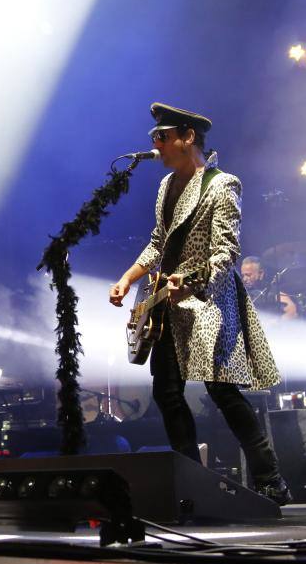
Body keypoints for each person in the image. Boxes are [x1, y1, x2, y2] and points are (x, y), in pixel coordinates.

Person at [109, 103, 291, 504]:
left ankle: (270, 478)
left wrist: (192, 283)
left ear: (188, 136)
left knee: (222, 390)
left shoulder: (222, 184)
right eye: (153, 138)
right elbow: (158, 242)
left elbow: (226, 251)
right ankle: (190, 479)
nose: (156, 145)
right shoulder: (165, 186)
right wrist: (127, 278)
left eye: (163, 136)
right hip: (168, 305)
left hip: (210, 298)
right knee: (166, 392)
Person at [240, 255, 298, 320]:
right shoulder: (242, 292)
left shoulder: (272, 291)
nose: (244, 279)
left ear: (261, 273)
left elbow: (292, 311)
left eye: (248, 275)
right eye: (243, 275)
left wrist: (273, 325)